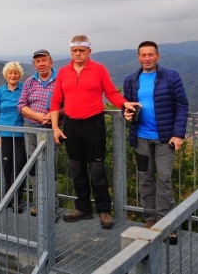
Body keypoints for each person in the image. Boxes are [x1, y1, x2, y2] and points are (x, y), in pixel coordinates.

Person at [50, 35, 138, 229]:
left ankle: (104, 210)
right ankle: (83, 208)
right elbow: (56, 101)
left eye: (82, 50)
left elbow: (111, 93)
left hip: (93, 123)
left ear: (89, 51)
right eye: (74, 50)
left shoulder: (99, 69)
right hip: (71, 125)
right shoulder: (64, 73)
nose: (78, 54)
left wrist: (124, 104)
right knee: (76, 168)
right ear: (70, 51)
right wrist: (56, 128)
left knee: (97, 169)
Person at [123, 41, 188, 245]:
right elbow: (129, 106)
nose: (147, 58)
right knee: (145, 179)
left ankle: (166, 224)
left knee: (165, 180)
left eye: (151, 54)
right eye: (143, 55)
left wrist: (178, 134)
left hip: (164, 139)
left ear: (157, 56)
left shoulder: (171, 76)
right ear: (138, 57)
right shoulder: (131, 80)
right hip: (141, 138)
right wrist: (127, 114)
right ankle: (150, 220)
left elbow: (182, 105)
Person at [17, 49, 61, 217]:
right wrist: (36, 115)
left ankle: (52, 208)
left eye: (44, 60)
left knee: (50, 168)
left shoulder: (60, 80)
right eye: (38, 61)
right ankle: (38, 204)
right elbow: (21, 105)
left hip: (51, 130)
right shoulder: (29, 82)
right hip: (31, 128)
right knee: (33, 167)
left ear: (51, 62)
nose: (41, 64)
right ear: (34, 64)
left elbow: (68, 104)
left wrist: (54, 115)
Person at [0, 61, 26, 213]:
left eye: (15, 73)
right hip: (4, 135)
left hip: (20, 135)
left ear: (19, 75)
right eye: (10, 73)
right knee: (7, 167)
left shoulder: (24, 88)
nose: (13, 75)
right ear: (6, 75)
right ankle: (8, 198)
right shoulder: (0, 91)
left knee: (19, 166)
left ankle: (18, 199)